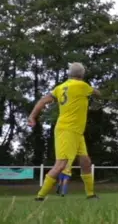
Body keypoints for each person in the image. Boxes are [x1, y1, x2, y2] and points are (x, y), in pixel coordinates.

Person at [28, 62, 100, 201]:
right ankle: (40, 196)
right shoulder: (83, 86)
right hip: (67, 130)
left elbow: (43, 101)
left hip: (76, 132)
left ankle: (91, 195)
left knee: (85, 162)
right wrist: (98, 92)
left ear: (69, 74)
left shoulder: (60, 88)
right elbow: (97, 93)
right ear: (82, 74)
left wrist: (32, 116)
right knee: (61, 164)